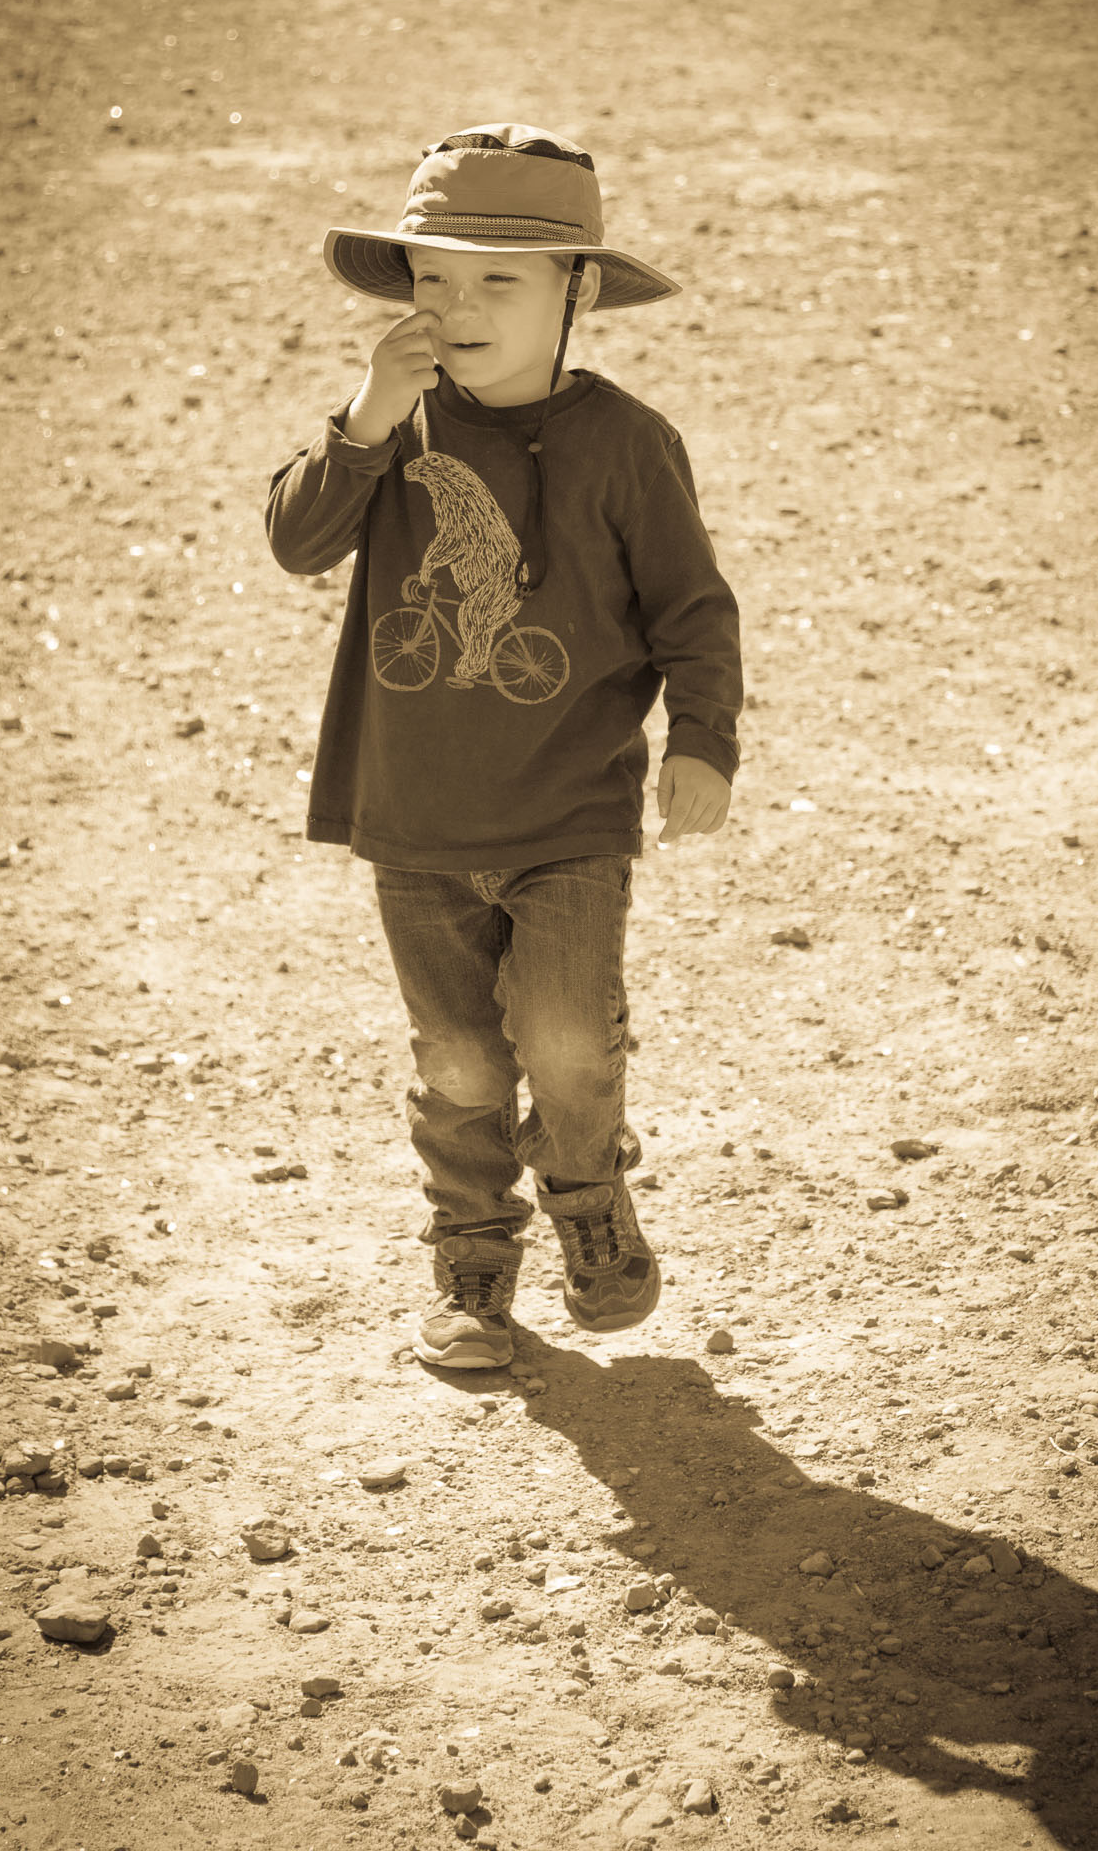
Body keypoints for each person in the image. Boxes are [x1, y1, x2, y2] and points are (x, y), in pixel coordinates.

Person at [265, 122, 743, 1370]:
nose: (458, 306)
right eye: (433, 278)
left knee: (568, 1040)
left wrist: (703, 739)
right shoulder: (392, 431)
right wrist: (366, 415)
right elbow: (297, 541)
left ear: (576, 290)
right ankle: (472, 1263)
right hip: (414, 816)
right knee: (460, 1061)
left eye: (498, 280)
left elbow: (693, 612)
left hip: (570, 813)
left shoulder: (628, 443)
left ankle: (587, 1197)